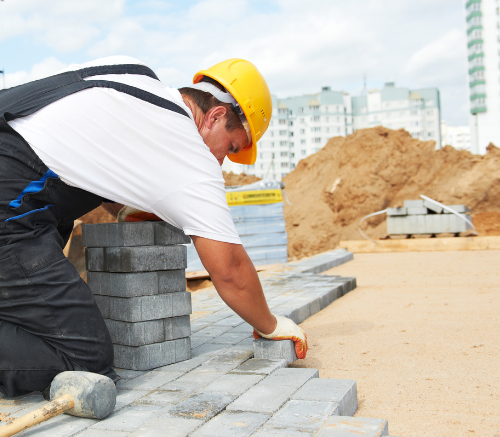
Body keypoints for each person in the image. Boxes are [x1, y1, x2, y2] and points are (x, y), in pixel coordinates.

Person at [0, 55, 307, 398]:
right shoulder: (188, 152)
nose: (221, 161)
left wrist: (128, 208)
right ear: (217, 116)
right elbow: (230, 269)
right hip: (8, 208)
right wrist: (271, 325)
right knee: (85, 360)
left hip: (12, 178)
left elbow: (81, 151)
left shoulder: (132, 74)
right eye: (230, 147)